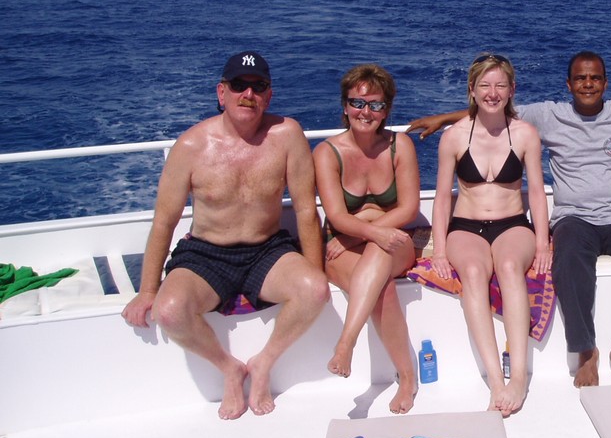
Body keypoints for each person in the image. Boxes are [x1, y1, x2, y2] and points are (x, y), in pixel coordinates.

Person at [413, 51, 611, 387]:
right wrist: (443, 119)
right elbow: (493, 108)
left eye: (595, 78)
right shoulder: (549, 115)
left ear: (606, 83)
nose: (588, 84)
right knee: (568, 259)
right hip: (573, 217)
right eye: (580, 78)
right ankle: (586, 352)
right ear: (568, 84)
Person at [122, 52, 330, 419]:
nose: (248, 94)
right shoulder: (190, 146)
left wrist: (317, 273)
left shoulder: (287, 135)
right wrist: (148, 290)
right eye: (238, 86)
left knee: (314, 290)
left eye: (258, 86)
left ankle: (263, 362)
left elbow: (305, 212)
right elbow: (164, 222)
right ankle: (229, 368)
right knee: (169, 312)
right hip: (206, 255)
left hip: (267, 250)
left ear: (269, 95)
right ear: (222, 93)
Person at [431, 54, 550, 416]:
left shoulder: (525, 134)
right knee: (472, 272)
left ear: (512, 90)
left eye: (500, 85)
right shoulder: (453, 137)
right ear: (472, 89)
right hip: (466, 225)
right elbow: (442, 197)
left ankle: (519, 377)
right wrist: (439, 249)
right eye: (484, 85)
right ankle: (496, 381)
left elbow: (536, 193)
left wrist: (542, 242)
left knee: (511, 266)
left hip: (512, 222)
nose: (492, 93)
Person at [313, 64, 422, 414]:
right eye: (358, 103)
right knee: (382, 289)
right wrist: (368, 229)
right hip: (342, 245)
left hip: (388, 241)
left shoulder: (399, 146)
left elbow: (409, 208)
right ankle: (407, 376)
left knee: (378, 250)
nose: (366, 112)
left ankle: (347, 341)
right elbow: (336, 217)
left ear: (386, 110)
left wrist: (364, 229)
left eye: (375, 105)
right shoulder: (326, 153)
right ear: (345, 107)